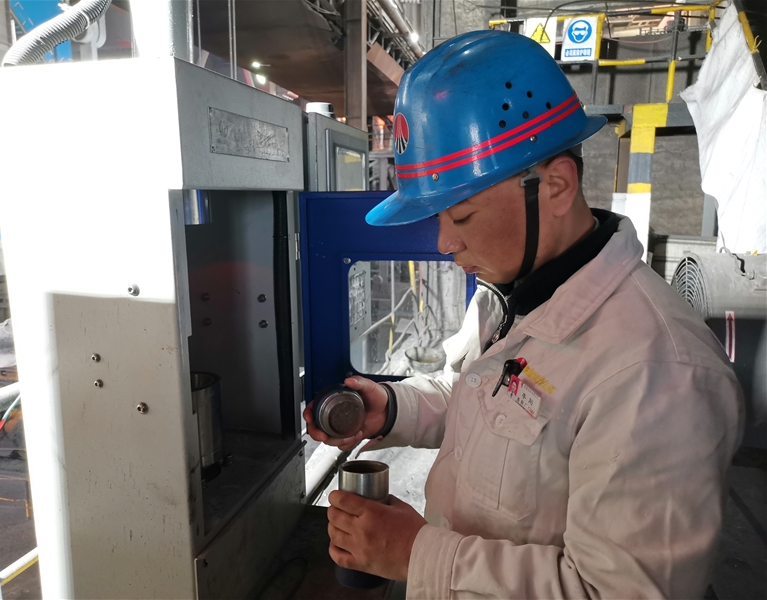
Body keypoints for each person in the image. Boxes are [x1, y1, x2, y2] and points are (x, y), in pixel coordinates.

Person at [303, 30, 743, 599]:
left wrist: (417, 555)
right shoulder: (509, 295)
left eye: (461, 215)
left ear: (555, 186)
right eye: (439, 218)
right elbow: (487, 400)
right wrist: (392, 408)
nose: (444, 243)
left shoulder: (658, 374)